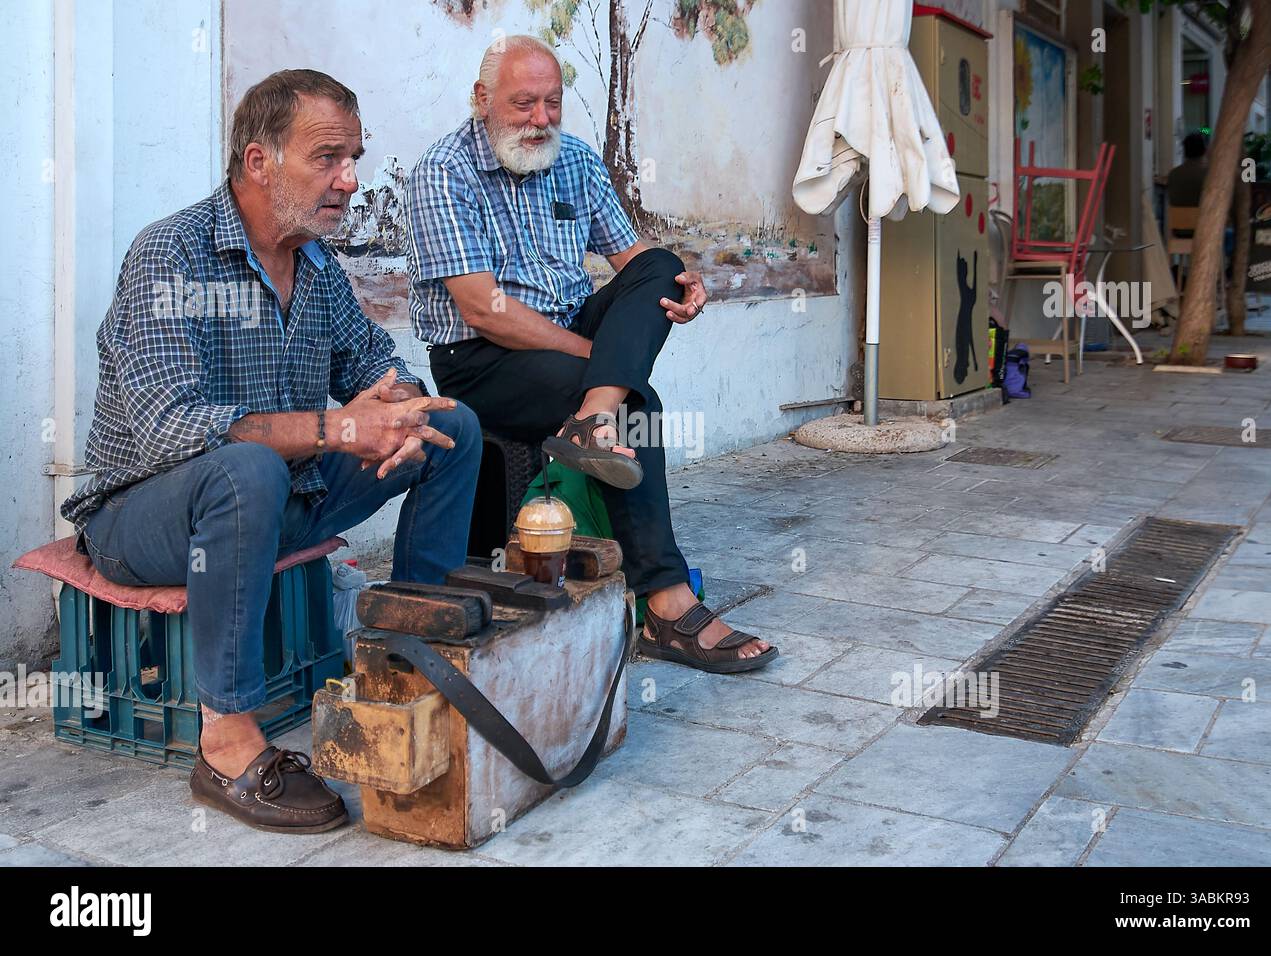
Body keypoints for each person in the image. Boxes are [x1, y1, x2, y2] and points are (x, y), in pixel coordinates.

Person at [61, 70, 482, 834]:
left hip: (279, 499)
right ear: (258, 161)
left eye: (354, 157)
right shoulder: (170, 255)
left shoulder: (317, 266)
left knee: (450, 426)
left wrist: (397, 402)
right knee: (244, 468)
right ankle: (224, 742)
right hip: (146, 519)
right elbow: (169, 427)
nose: (350, 180)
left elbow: (376, 362)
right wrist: (338, 429)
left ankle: (405, 656)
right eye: (327, 157)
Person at [404, 35, 777, 673]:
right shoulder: (443, 172)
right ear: (482, 100)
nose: (541, 119)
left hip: (571, 337)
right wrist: (604, 357)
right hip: (483, 356)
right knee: (638, 397)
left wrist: (682, 288)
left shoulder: (573, 157)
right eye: (524, 104)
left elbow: (633, 264)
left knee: (662, 263)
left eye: (553, 103)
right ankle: (666, 601)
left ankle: (594, 414)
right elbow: (479, 308)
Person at [1167, 132, 1209, 215]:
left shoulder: (1173, 174)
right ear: (1205, 151)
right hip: (1203, 225)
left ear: (1185, 152)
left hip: (1178, 225)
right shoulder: (1208, 175)